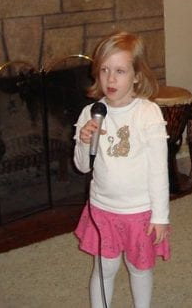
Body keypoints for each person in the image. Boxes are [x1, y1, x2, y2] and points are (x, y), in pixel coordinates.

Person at [73, 31, 170, 308]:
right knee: (104, 269)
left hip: (140, 211)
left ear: (137, 75)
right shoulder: (90, 113)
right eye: (104, 70)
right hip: (103, 208)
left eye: (120, 71)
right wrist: (84, 141)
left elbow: (158, 170)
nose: (111, 79)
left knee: (140, 268)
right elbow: (82, 166)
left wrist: (161, 215)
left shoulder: (147, 113)